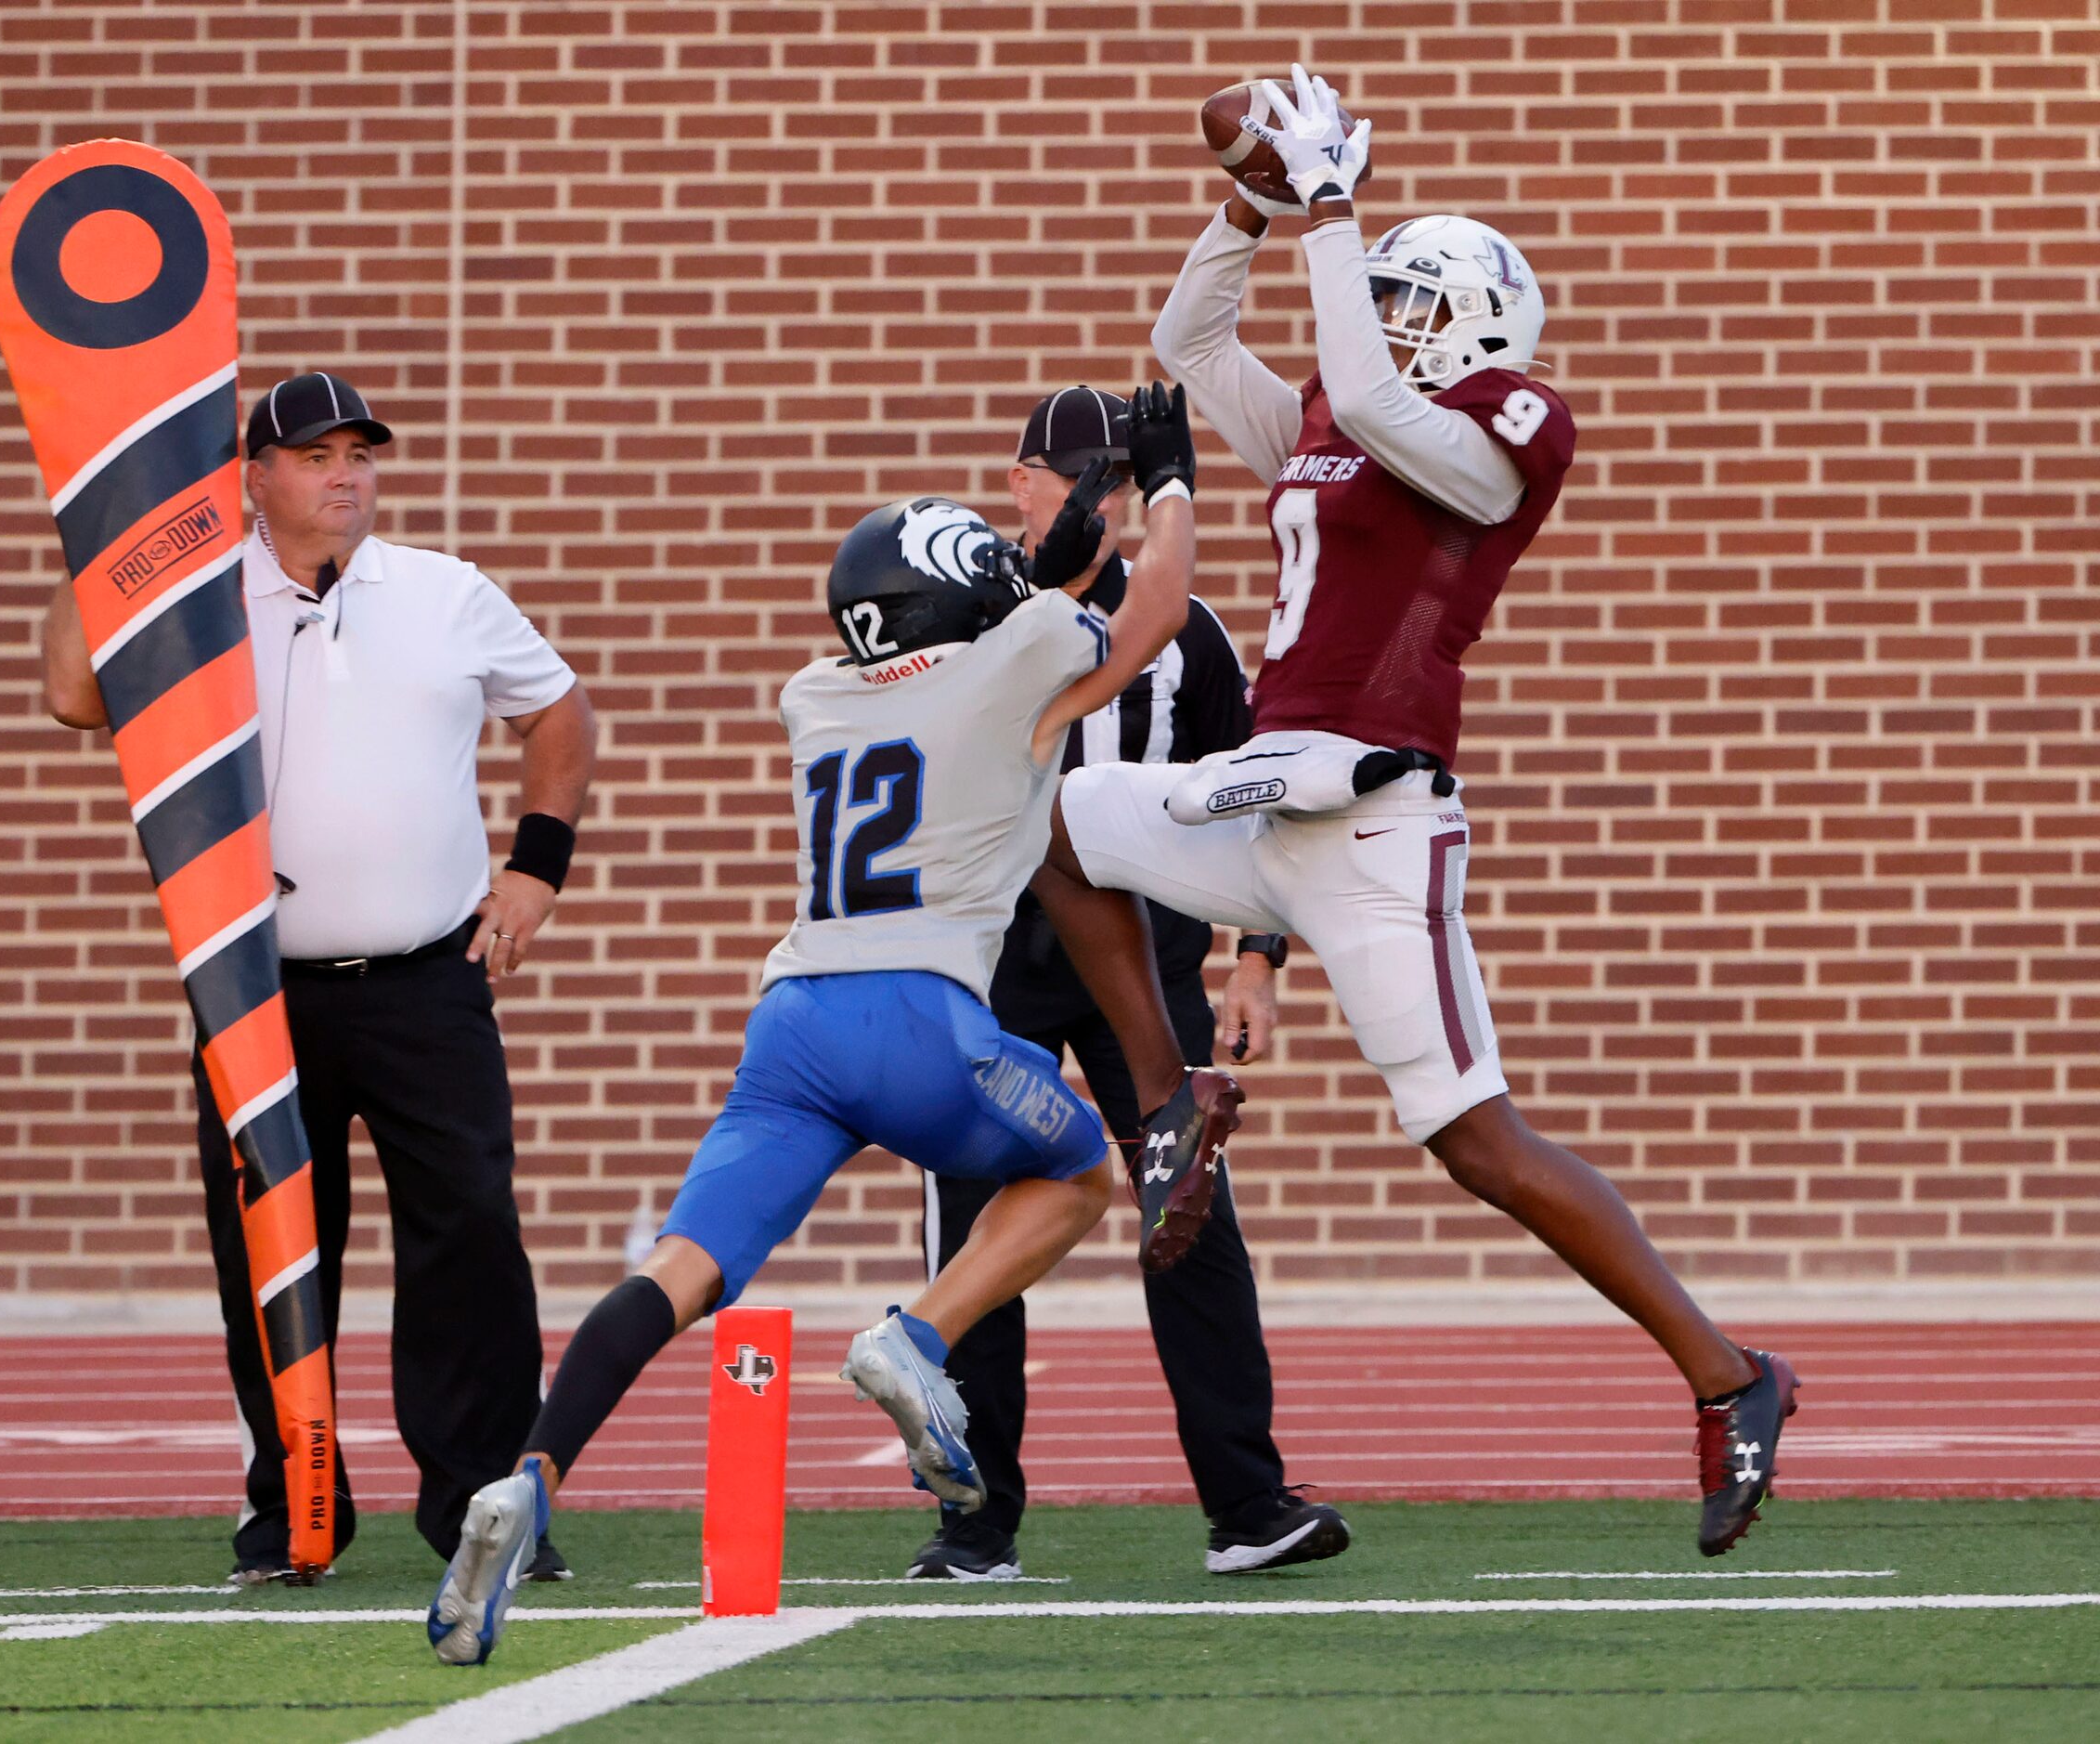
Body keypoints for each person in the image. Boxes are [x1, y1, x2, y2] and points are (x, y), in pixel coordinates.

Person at [1049, 68, 1799, 1558]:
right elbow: (1187, 344)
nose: (1376, 316)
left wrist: (1333, 208)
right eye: (1373, 292)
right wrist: (1257, 205)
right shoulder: (1342, 416)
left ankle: (1734, 1375)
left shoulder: (1495, 433)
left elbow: (1387, 400)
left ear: (1475, 322)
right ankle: (1165, 1110)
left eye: (1406, 296)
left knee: (1478, 1143)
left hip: (1377, 821)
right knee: (1061, 825)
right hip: (1272, 800)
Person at [424, 383, 1242, 1667]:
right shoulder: (1011, 669)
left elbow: (1008, 598)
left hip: (793, 1025)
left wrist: (1057, 534)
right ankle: (914, 1333)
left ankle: (529, 1473)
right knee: (1091, 1168)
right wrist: (1173, 485)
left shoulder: (821, 691)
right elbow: (1149, 608)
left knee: (680, 1269)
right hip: (927, 1018)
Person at [40, 371, 600, 1584]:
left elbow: (561, 715)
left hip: (429, 976)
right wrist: (107, 537)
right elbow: (75, 694)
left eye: (360, 453)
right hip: (254, 987)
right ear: (255, 475)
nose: (346, 474)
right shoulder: (192, 593)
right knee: (273, 1247)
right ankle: (290, 1507)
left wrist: (535, 872)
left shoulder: (447, 593)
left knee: (471, 1236)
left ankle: (482, 1507)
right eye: (315, 455)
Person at [904, 385, 1345, 1581]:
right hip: (994, 955)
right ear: (1022, 482)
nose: (1100, 502)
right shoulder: (973, 601)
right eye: (1080, 478)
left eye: (1119, 482)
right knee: (972, 1217)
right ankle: (974, 1518)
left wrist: (1259, 959)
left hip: (1140, 963)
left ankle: (1248, 1504)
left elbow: (1260, 803)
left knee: (1187, 1211)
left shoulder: (1188, 633)